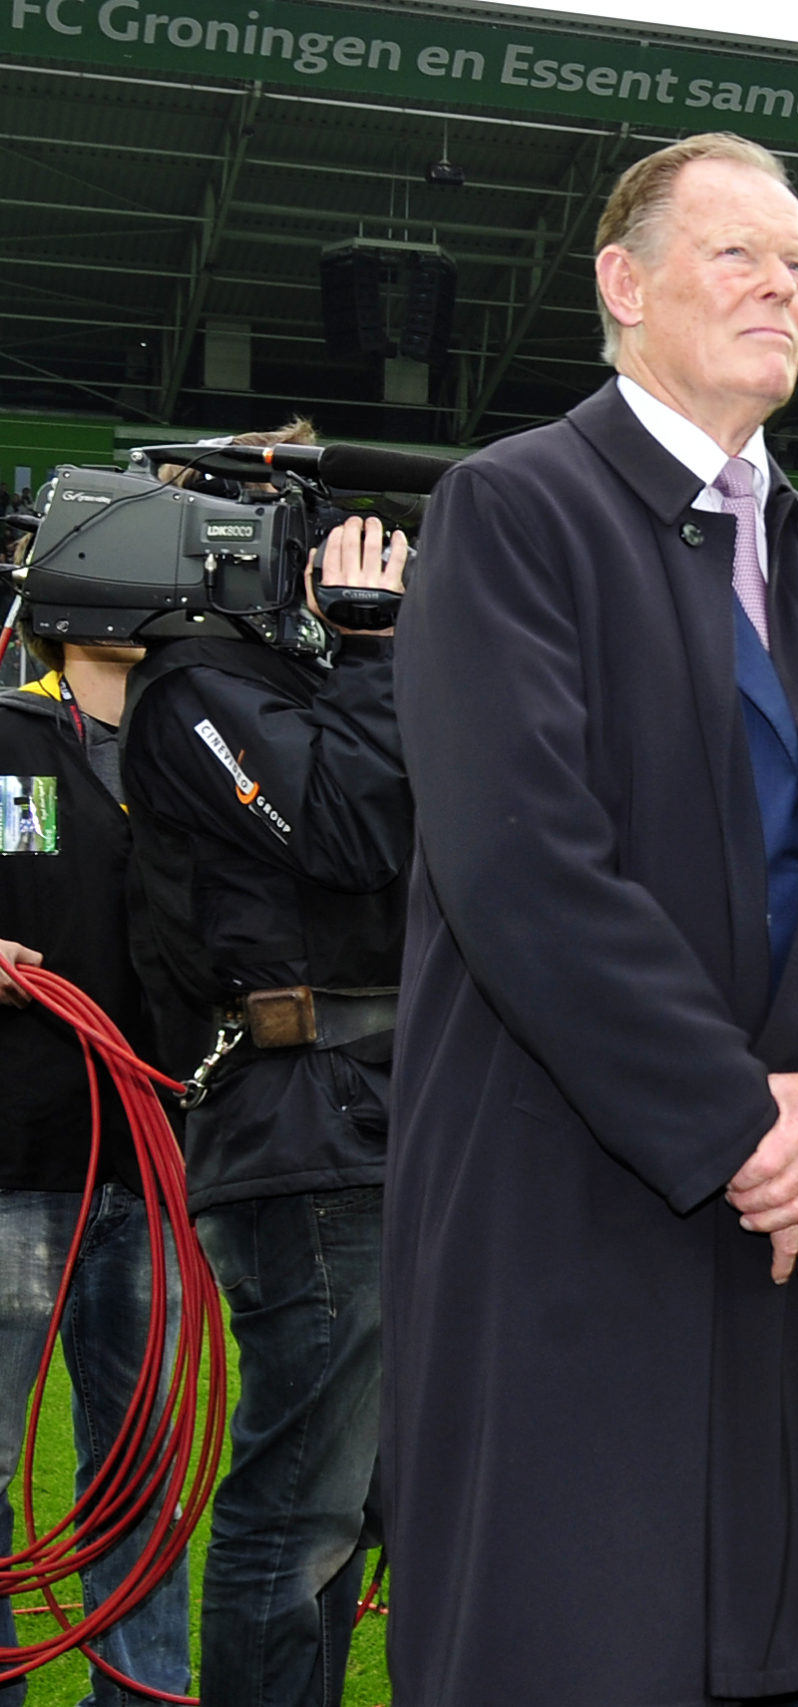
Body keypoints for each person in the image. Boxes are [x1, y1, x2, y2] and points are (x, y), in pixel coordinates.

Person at [385, 132, 798, 1707]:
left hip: (795, 1221)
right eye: (740, 255)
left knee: (774, 1653)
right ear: (623, 286)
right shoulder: (511, 509)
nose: (783, 285)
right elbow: (525, 870)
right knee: (571, 1636)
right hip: (572, 1210)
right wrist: (741, 1126)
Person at [117, 423, 412, 1707]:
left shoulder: (277, 684)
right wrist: (368, 648)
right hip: (305, 1133)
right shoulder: (193, 687)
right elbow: (349, 827)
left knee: (376, 1500)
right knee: (300, 1515)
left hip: (372, 1123)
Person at [0, 626, 195, 1707]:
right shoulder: (5, 733)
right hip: (17, 1157)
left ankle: (143, 1693)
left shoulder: (202, 745)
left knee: (139, 1473)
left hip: (148, 1165)